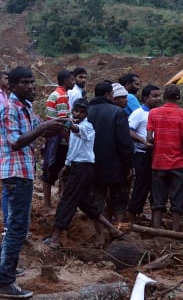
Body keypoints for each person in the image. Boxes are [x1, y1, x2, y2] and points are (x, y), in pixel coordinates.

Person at [0, 67, 66, 299]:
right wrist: (44, 127)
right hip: (15, 172)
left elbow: (40, 130)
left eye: (32, 83)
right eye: (25, 83)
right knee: (18, 228)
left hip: (22, 172)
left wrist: (61, 125)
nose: (31, 87)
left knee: (15, 224)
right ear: (11, 86)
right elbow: (15, 142)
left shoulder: (26, 107)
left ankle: (0, 268)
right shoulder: (8, 109)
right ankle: (5, 282)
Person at [43, 98, 123, 248]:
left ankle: (55, 238)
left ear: (86, 113)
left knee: (67, 201)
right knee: (86, 204)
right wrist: (66, 166)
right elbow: (73, 149)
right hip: (76, 168)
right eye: (76, 111)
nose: (78, 114)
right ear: (72, 110)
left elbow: (77, 130)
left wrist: (65, 122)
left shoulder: (87, 127)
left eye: (81, 112)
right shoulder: (76, 126)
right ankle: (113, 230)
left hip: (83, 169)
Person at [146, 84, 183, 230]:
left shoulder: (154, 113)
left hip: (159, 162)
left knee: (158, 196)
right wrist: (181, 145)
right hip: (179, 162)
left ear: (163, 97)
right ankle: (175, 230)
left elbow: (149, 138)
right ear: (178, 97)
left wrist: (159, 143)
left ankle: (156, 228)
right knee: (177, 197)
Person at [86, 81, 134, 228]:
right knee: (119, 198)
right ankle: (118, 227)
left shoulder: (85, 110)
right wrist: (129, 165)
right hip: (115, 165)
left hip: (91, 163)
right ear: (108, 95)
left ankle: (100, 233)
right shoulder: (117, 112)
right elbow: (124, 142)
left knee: (97, 199)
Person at [126, 84, 162, 225]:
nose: (158, 99)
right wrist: (143, 141)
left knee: (157, 188)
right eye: (154, 96)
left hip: (157, 155)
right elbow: (129, 131)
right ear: (146, 97)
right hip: (142, 155)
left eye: (159, 95)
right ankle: (131, 219)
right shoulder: (139, 113)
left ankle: (156, 221)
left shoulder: (158, 112)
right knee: (141, 187)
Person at [41, 69, 74, 213]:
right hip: (58, 138)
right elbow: (62, 122)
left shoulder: (58, 94)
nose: (73, 82)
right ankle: (48, 204)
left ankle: (53, 202)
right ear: (65, 80)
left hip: (53, 136)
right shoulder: (61, 96)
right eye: (72, 80)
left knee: (53, 168)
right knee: (53, 168)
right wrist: (70, 140)